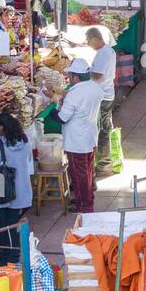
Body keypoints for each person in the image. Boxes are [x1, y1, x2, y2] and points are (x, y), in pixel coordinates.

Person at [0, 112, 33, 267]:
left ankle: (0, 260)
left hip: (0, 190)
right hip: (20, 191)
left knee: (0, 227)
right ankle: (14, 259)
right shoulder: (25, 141)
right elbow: (27, 161)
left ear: (1, 127)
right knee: (13, 226)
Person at [58, 59, 104, 213]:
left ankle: (84, 205)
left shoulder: (74, 94)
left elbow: (62, 118)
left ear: (76, 77)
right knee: (88, 171)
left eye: (70, 76)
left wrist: (55, 105)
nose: (69, 79)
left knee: (79, 174)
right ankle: (85, 198)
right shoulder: (95, 88)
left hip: (76, 140)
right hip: (90, 136)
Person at [84, 27, 117, 174]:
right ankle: (104, 162)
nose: (89, 45)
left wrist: (85, 76)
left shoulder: (103, 54)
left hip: (103, 97)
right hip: (106, 94)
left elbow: (98, 75)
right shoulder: (108, 51)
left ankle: (104, 164)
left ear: (95, 40)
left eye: (89, 42)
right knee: (104, 127)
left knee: (103, 130)